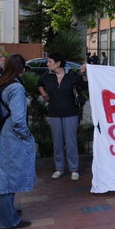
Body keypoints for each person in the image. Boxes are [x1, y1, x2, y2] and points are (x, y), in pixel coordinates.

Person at [0, 54, 36, 229]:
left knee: (0, 174)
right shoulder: (16, 88)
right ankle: (9, 220)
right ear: (22, 69)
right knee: (9, 177)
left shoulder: (0, 82)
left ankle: (1, 212)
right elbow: (18, 119)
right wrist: (26, 136)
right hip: (10, 136)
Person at [37, 52, 87, 181]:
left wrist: (83, 72)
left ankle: (74, 169)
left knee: (71, 142)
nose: (47, 64)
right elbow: (39, 83)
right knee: (57, 142)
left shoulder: (71, 75)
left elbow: (84, 84)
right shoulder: (47, 76)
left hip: (71, 113)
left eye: (50, 61)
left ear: (58, 63)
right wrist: (44, 94)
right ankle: (59, 168)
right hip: (54, 113)